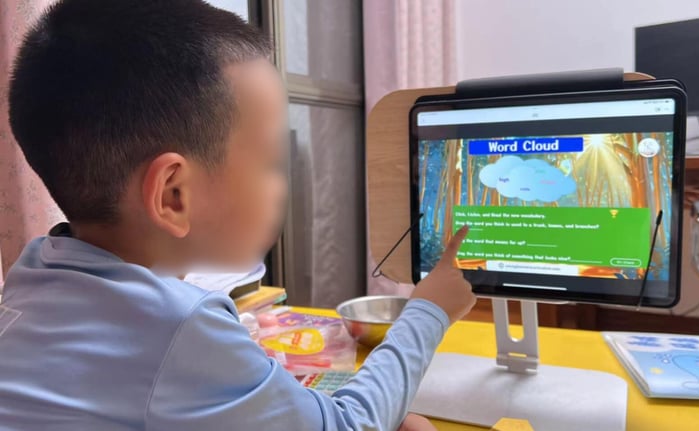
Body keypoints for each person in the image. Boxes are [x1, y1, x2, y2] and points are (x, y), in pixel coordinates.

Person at [0, 1, 476, 430]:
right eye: (270, 161)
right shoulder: (181, 326)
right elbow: (350, 425)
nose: (281, 183)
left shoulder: (33, 270)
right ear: (174, 195)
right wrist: (428, 310)